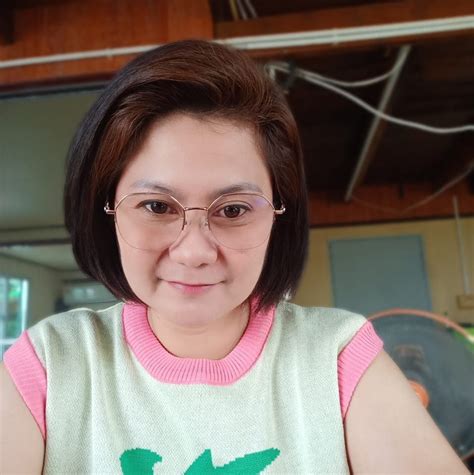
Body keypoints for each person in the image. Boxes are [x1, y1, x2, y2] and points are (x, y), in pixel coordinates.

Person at [0, 39, 468, 475]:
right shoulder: (50, 364)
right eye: (157, 206)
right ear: (108, 212)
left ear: (278, 216)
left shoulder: (338, 358)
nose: (194, 252)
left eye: (234, 210)